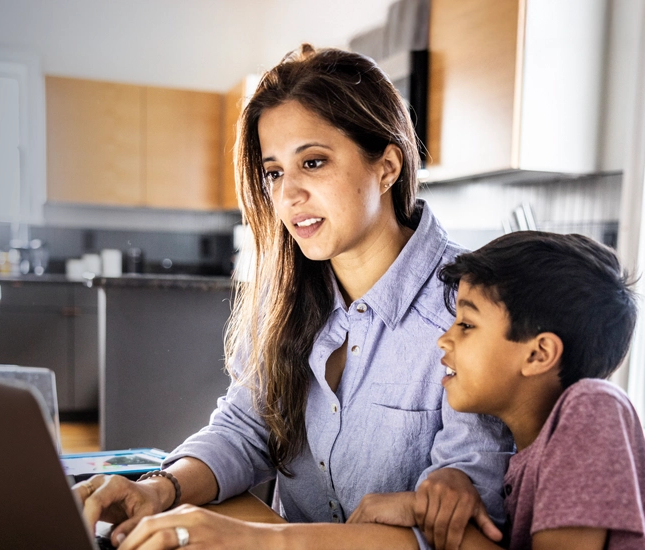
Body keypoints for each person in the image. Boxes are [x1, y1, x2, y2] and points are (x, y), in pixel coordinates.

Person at [73, 45, 515, 550]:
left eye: (314, 162)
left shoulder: (471, 309)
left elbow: (457, 521)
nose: (287, 196)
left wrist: (255, 539)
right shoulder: (286, 292)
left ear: (387, 166)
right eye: (275, 172)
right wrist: (158, 489)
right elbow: (245, 429)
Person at [348, 232, 645, 549]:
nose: (444, 339)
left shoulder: (593, 408)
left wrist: (422, 514)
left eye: (467, 324)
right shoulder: (525, 459)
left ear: (538, 354)